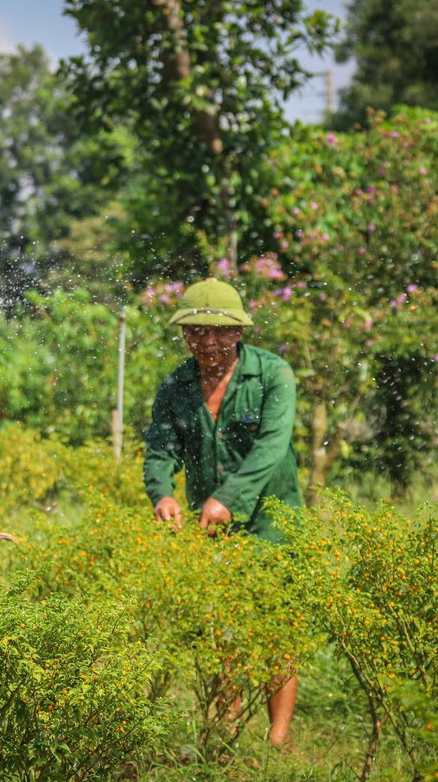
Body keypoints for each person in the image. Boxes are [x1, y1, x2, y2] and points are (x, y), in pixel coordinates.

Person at [142, 277, 303, 747]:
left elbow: (272, 448)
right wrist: (162, 495)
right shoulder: (175, 385)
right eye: (196, 331)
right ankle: (226, 737)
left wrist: (228, 498)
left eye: (219, 331)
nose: (208, 341)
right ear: (185, 334)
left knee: (276, 629)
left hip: (274, 522)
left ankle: (279, 740)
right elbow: (159, 449)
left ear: (238, 332)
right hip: (210, 529)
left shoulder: (273, 374)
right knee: (223, 633)